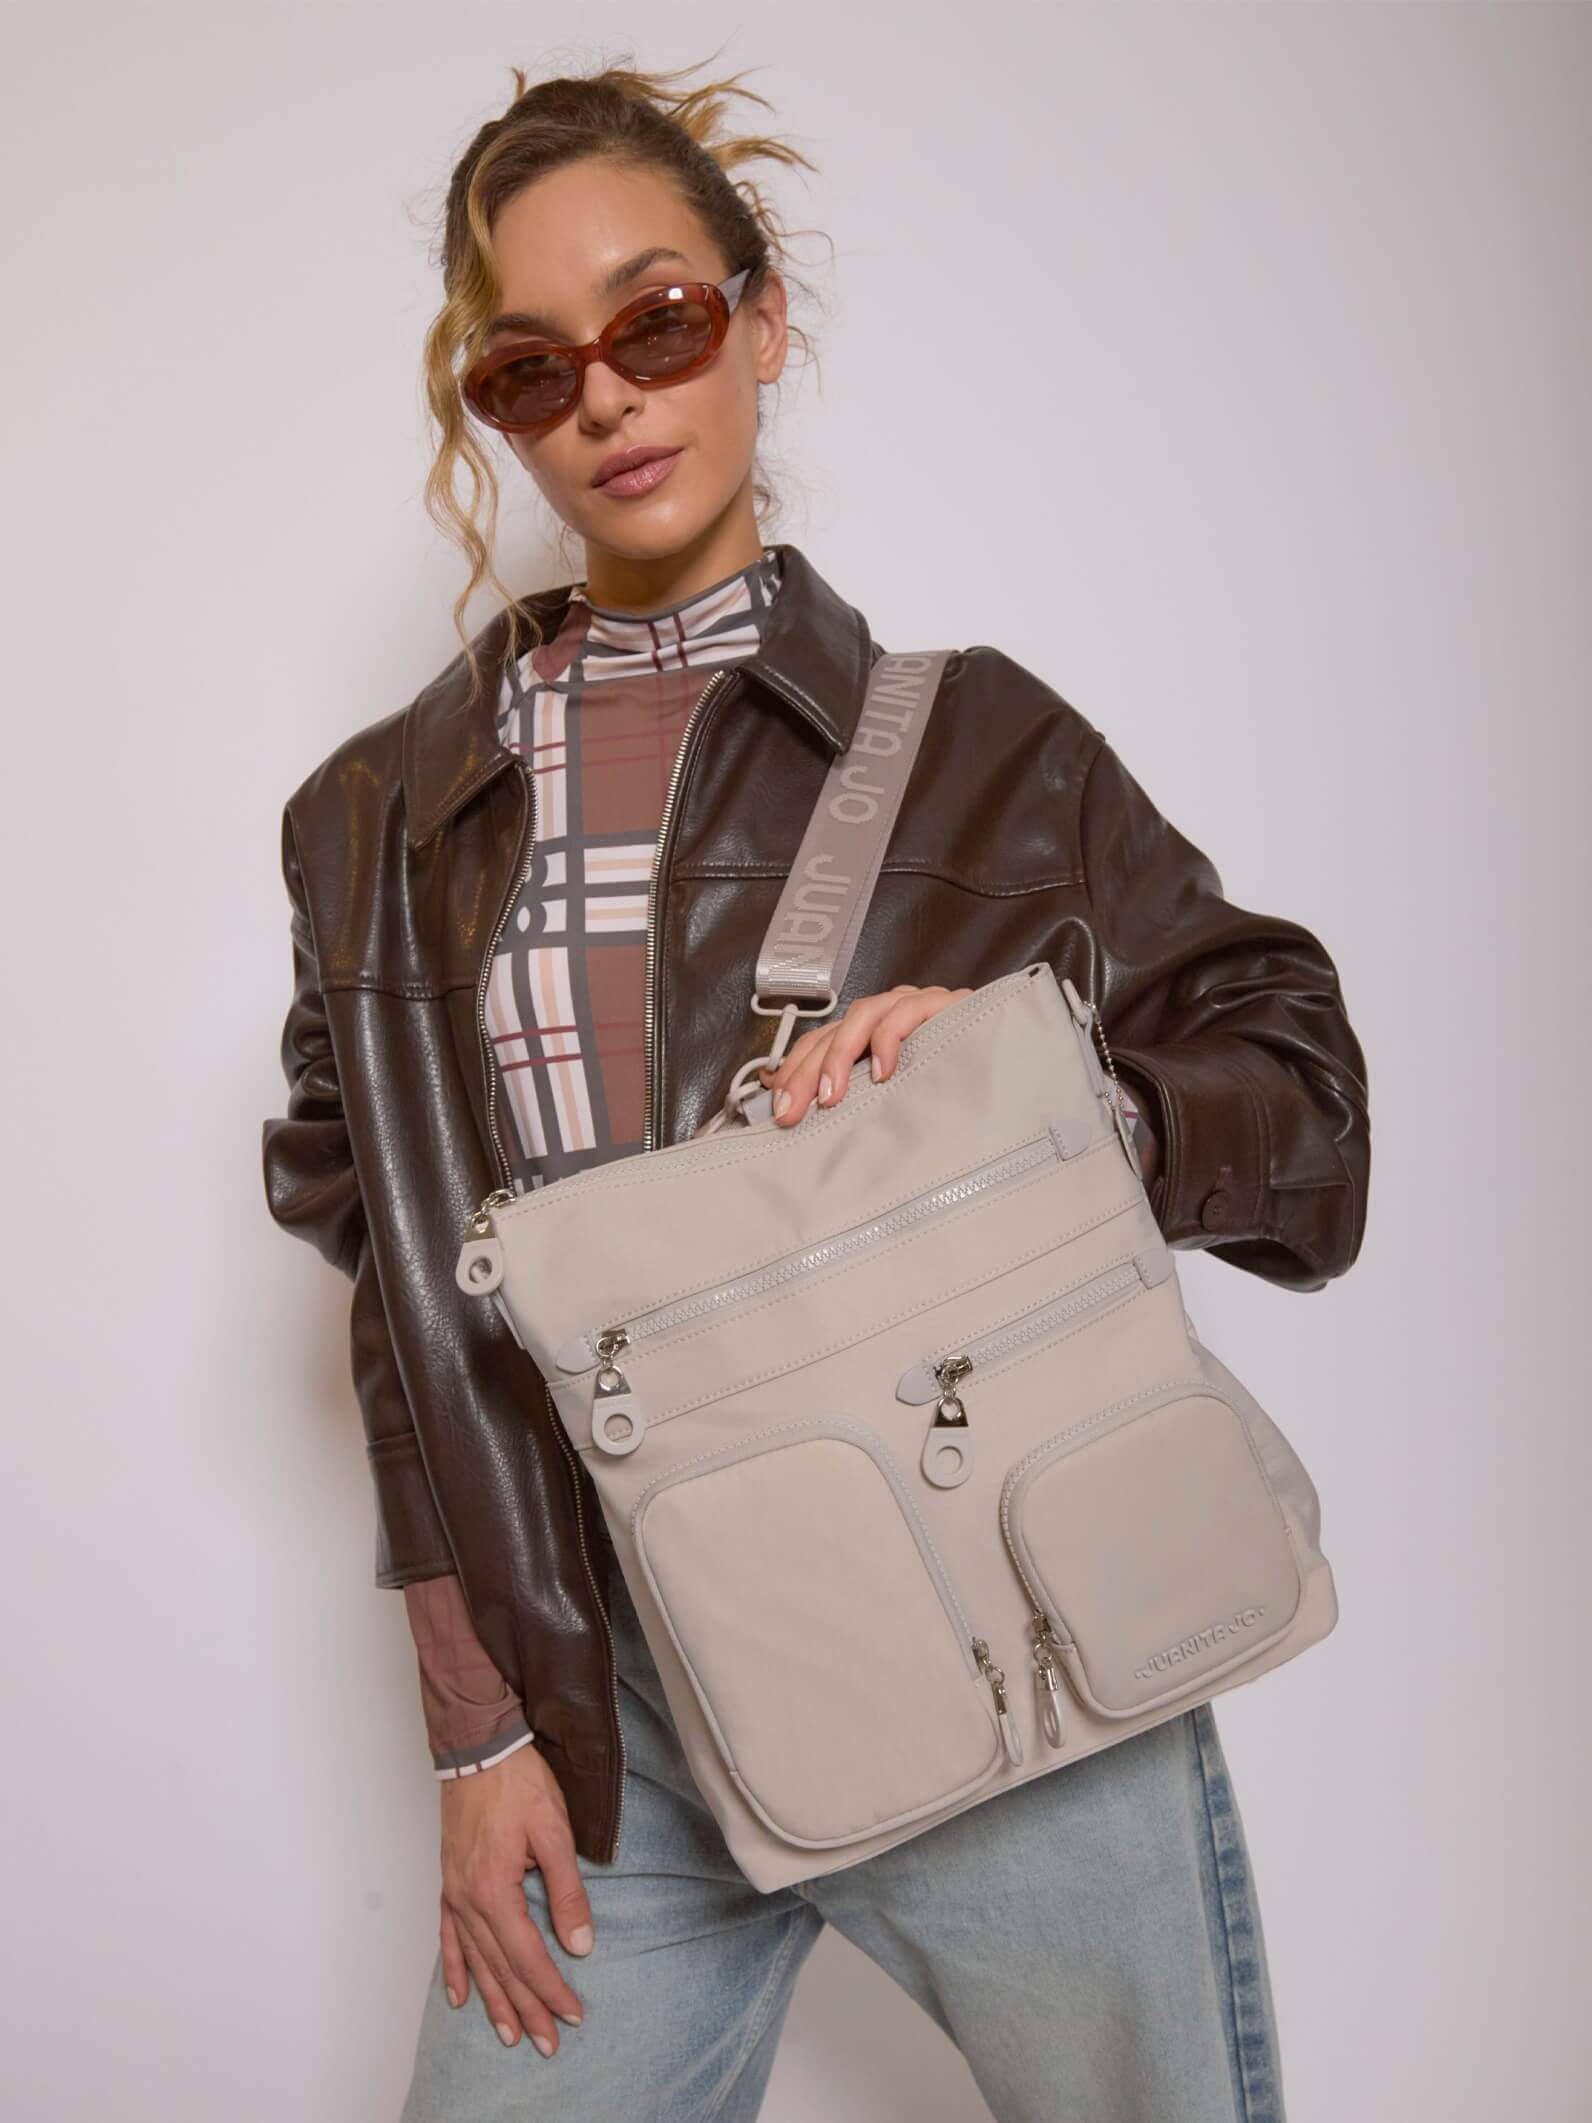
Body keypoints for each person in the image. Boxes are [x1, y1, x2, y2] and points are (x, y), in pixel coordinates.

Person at [261, 54, 1370, 2123]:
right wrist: (474, 1723)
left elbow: (1299, 1089)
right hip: (609, 1715)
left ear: (764, 322)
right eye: (533, 366)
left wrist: (1046, 1082)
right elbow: (413, 1318)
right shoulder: (378, 825)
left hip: (1005, 1635)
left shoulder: (987, 752)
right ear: (492, 410)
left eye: (661, 322)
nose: (609, 398)